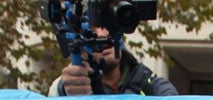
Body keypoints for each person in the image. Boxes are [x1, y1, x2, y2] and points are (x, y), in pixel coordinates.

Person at [49, 29, 177, 96]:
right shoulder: (64, 86)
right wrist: (65, 90)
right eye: (92, 29)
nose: (102, 34)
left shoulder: (153, 87)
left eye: (108, 26)